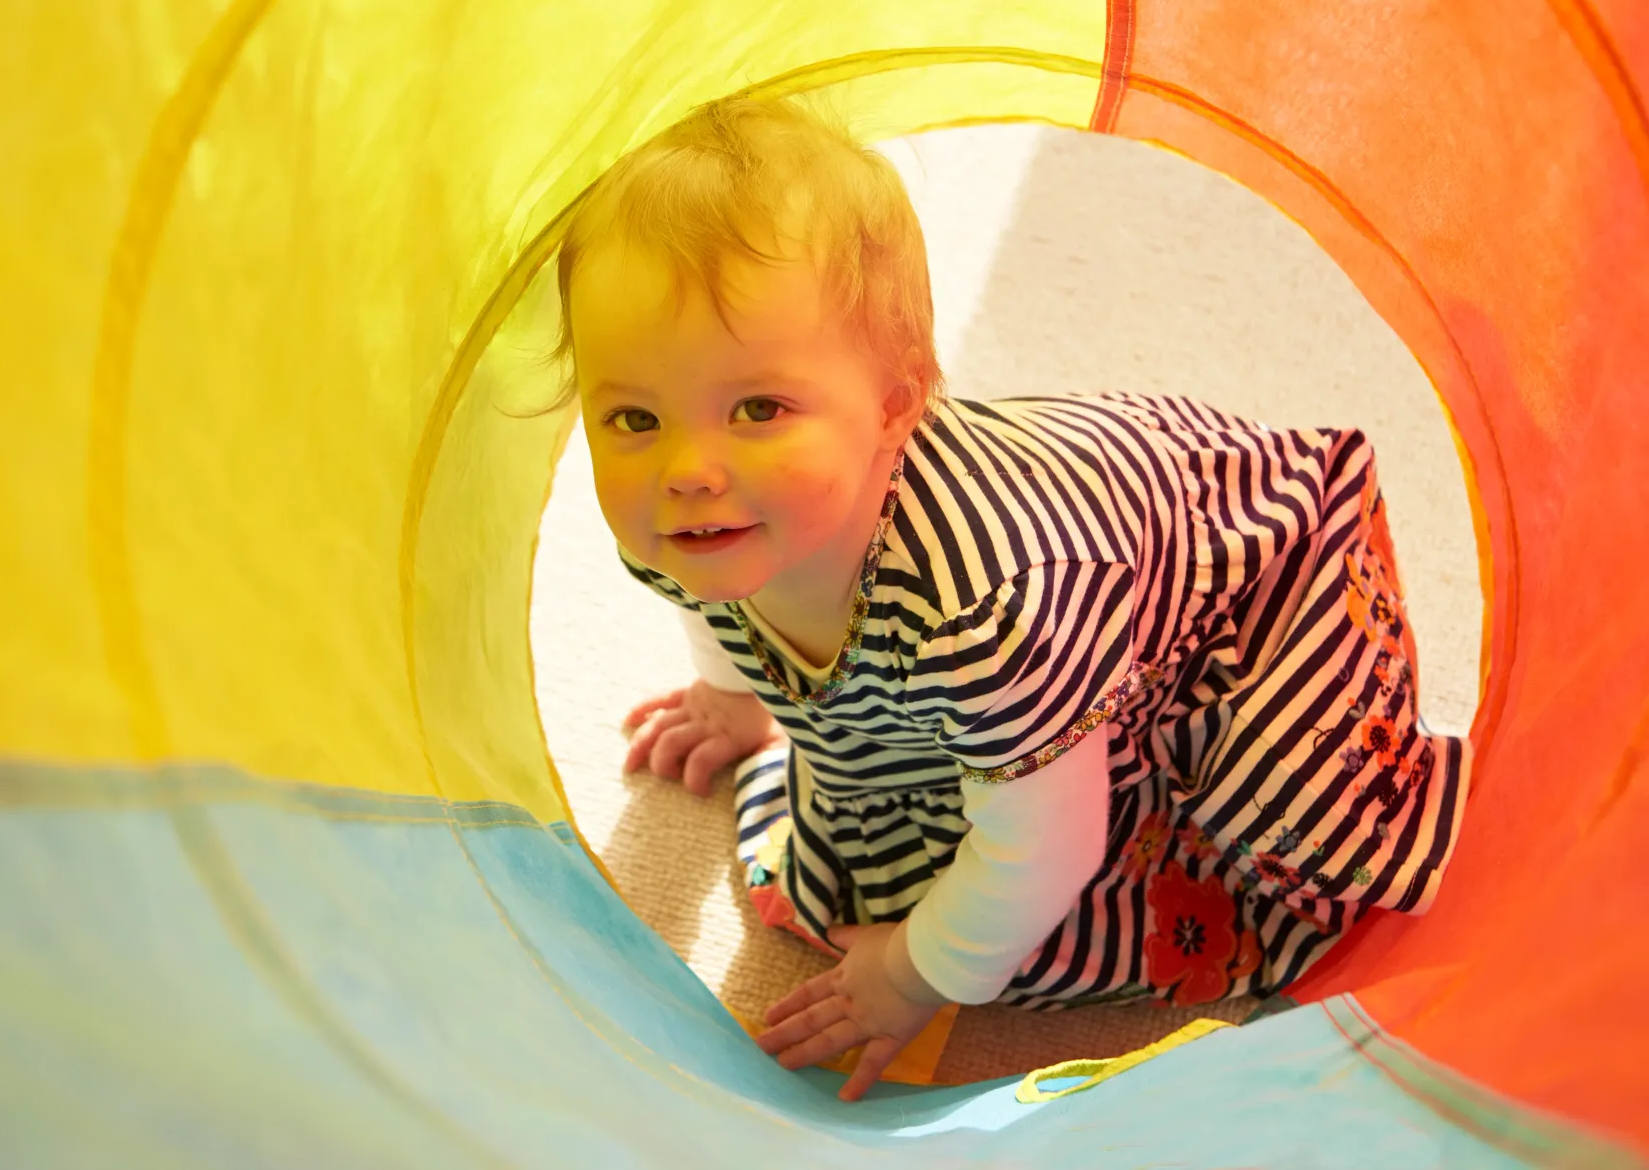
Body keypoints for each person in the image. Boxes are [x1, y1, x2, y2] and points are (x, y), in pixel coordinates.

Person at [553, 95, 1471, 1101]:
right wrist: (733, 696)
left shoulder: (981, 615)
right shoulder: (689, 519)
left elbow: (1049, 846)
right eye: (633, 416)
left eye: (759, 408)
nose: (687, 468)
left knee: (1278, 855)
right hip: (1051, 631)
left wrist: (911, 975)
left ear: (897, 405)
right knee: (876, 854)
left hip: (1257, 593)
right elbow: (709, 605)